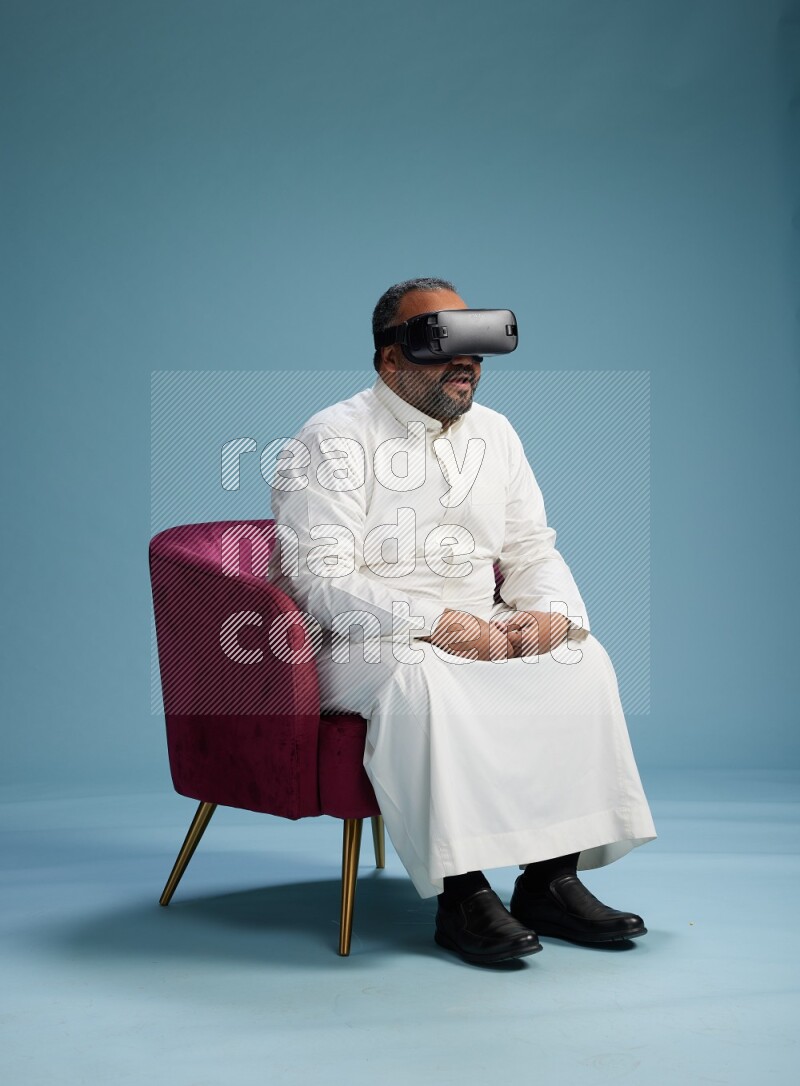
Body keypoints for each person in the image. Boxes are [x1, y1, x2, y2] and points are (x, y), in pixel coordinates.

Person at [268, 277, 657, 965]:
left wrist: (550, 619)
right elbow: (322, 582)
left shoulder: (497, 434)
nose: (466, 362)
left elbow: (532, 548)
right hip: (364, 642)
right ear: (390, 359)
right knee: (425, 678)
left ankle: (549, 881)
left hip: (483, 621)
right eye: (441, 343)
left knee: (581, 660)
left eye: (474, 345)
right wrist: (440, 623)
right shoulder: (330, 439)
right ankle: (463, 895)